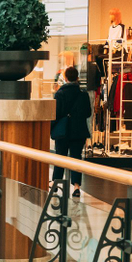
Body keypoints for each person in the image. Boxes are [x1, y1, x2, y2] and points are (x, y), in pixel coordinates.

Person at [51, 66, 92, 198]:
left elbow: (55, 114)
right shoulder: (83, 94)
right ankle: (76, 186)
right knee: (76, 158)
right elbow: (88, 113)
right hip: (79, 131)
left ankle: (56, 184)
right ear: (77, 78)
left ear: (66, 77)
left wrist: (52, 128)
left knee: (60, 157)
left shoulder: (60, 94)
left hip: (63, 131)